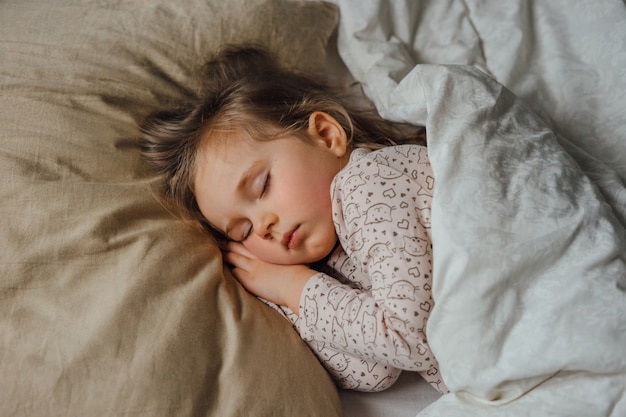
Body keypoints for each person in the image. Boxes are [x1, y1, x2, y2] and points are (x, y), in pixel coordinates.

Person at [140, 45, 448, 394]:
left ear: (326, 136)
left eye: (263, 185)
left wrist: (294, 289)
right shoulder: (336, 257)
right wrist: (282, 297)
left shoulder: (371, 182)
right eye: (243, 230)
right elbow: (373, 371)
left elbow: (409, 338)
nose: (262, 226)